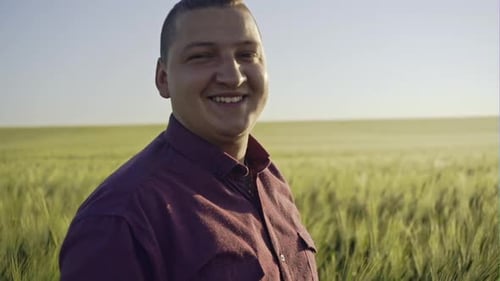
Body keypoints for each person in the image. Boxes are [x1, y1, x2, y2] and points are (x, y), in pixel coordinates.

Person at [59, 0, 318, 280]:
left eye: (247, 54)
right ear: (163, 79)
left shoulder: (272, 181)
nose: (233, 76)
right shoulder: (119, 221)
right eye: (202, 56)